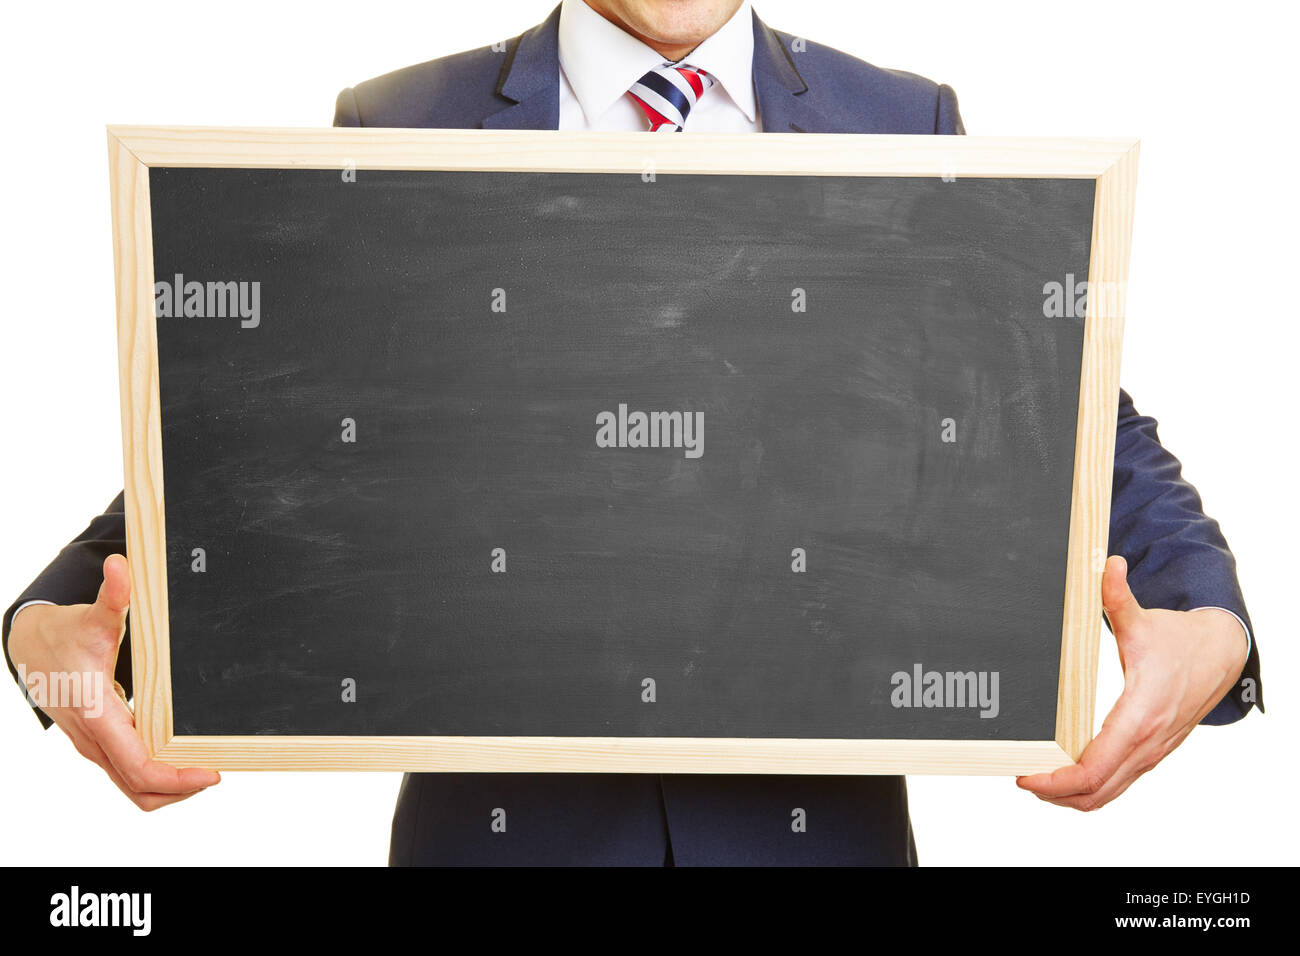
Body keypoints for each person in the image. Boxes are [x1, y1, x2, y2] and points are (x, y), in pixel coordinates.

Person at [3, 0, 1262, 866]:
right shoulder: (401, 121)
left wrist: (1209, 612)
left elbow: (1057, 409)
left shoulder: (902, 118)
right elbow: (272, 445)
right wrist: (47, 631)